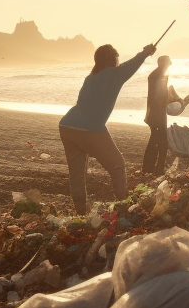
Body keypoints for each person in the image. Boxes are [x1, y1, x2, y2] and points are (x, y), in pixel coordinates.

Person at [59, 41, 156, 215]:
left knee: (77, 176)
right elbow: (131, 66)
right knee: (117, 165)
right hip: (90, 128)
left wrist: (144, 53)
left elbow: (82, 102)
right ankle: (125, 209)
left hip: (67, 126)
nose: (118, 60)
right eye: (117, 56)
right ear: (113, 58)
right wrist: (145, 53)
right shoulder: (113, 74)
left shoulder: (91, 77)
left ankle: (81, 215)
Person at [142, 55, 189, 175]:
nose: (169, 65)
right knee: (161, 141)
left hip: (158, 113)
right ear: (162, 63)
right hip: (156, 114)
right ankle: (156, 169)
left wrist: (174, 99)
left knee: (156, 140)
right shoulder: (156, 76)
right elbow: (157, 97)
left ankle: (149, 168)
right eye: (168, 63)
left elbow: (162, 94)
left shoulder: (160, 76)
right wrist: (175, 101)